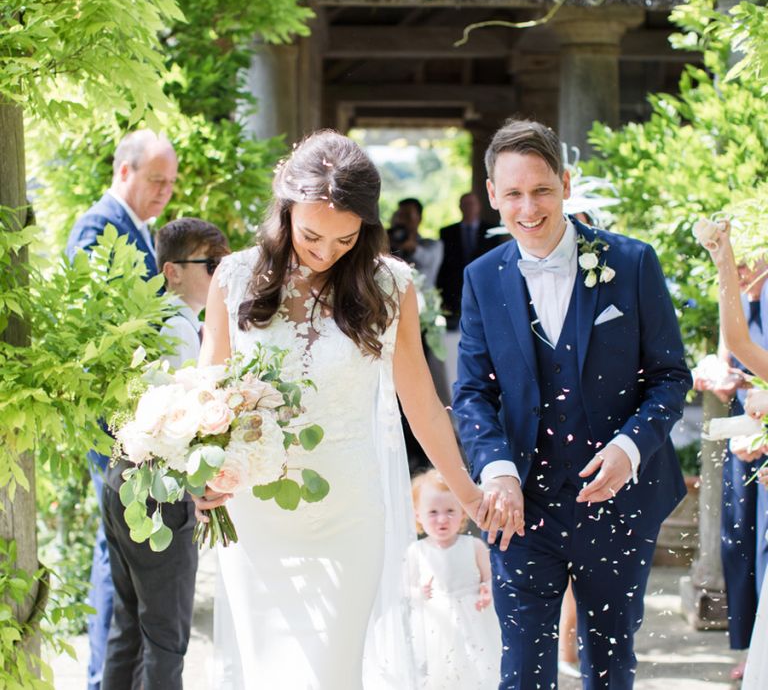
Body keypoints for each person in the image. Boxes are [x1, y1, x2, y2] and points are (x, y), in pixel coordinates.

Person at [192, 130, 508, 690]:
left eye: (345, 239)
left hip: (349, 516)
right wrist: (201, 474)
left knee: (331, 674)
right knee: (270, 673)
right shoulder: (235, 277)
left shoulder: (388, 286)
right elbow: (208, 394)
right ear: (285, 209)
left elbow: (424, 406)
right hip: (258, 518)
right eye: (312, 234)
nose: (324, 251)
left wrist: (469, 494)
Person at [453, 118, 691, 690]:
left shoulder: (631, 263)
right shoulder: (482, 277)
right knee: (523, 670)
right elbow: (472, 392)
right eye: (512, 194)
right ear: (492, 194)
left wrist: (631, 448)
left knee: (610, 665)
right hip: (521, 509)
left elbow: (668, 376)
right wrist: (498, 470)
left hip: (619, 504)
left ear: (564, 182)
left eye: (541, 190)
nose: (528, 208)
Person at [65, 129, 177, 690]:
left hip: (138, 418)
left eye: (170, 183)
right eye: (156, 180)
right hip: (115, 423)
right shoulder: (97, 229)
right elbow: (97, 333)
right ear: (124, 170)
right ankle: (100, 679)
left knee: (126, 559)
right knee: (118, 558)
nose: (164, 192)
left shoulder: (138, 227)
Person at [99, 218, 229, 690]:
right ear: (173, 271)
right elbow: (184, 423)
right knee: (166, 637)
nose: (220, 274)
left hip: (122, 479)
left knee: (129, 626)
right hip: (159, 491)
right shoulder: (177, 330)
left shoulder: (148, 319)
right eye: (211, 264)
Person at [692, 259, 768, 680]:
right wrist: (719, 375)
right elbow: (733, 350)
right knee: (740, 537)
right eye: (731, 263)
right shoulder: (736, 299)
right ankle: (753, 645)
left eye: (743, 261)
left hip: (760, 430)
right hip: (746, 432)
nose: (738, 270)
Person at [408, 469, 501, 689]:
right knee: (441, 668)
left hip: (472, 617)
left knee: (477, 663)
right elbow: (405, 588)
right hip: (436, 621)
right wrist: (418, 592)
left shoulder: (474, 546)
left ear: (463, 513)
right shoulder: (417, 551)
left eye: (450, 510)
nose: (442, 519)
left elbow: (490, 577)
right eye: (432, 512)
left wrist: (487, 589)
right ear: (418, 515)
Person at [436, 192, 503, 331]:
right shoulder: (447, 232)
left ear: (478, 207)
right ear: (460, 206)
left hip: (484, 288)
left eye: (472, 204)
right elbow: (442, 266)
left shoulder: (492, 231)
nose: (469, 207)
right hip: (454, 292)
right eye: (465, 204)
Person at [388, 197, 444, 289]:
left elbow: (427, 259)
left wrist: (412, 248)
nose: (401, 221)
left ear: (419, 218)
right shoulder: (390, 243)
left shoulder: (433, 245)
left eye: (407, 216)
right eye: (399, 216)